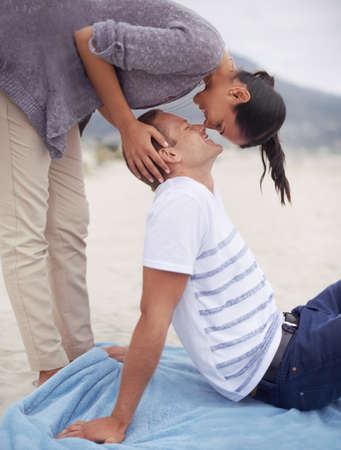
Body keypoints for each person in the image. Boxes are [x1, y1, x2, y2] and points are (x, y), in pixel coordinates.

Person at [0, 0, 289, 386]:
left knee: (69, 227)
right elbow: (90, 41)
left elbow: (101, 80)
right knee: (24, 232)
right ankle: (49, 366)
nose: (206, 123)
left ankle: (79, 355)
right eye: (218, 123)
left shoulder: (197, 70)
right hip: (28, 63)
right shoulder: (201, 50)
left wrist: (132, 129)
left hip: (64, 90)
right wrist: (127, 128)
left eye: (212, 128)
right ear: (238, 96)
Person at [56, 110, 341, 444]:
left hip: (295, 327)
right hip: (292, 369)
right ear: (170, 154)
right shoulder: (180, 203)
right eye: (187, 127)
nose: (201, 126)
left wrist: (136, 352)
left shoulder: (198, 192)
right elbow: (154, 314)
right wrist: (118, 421)